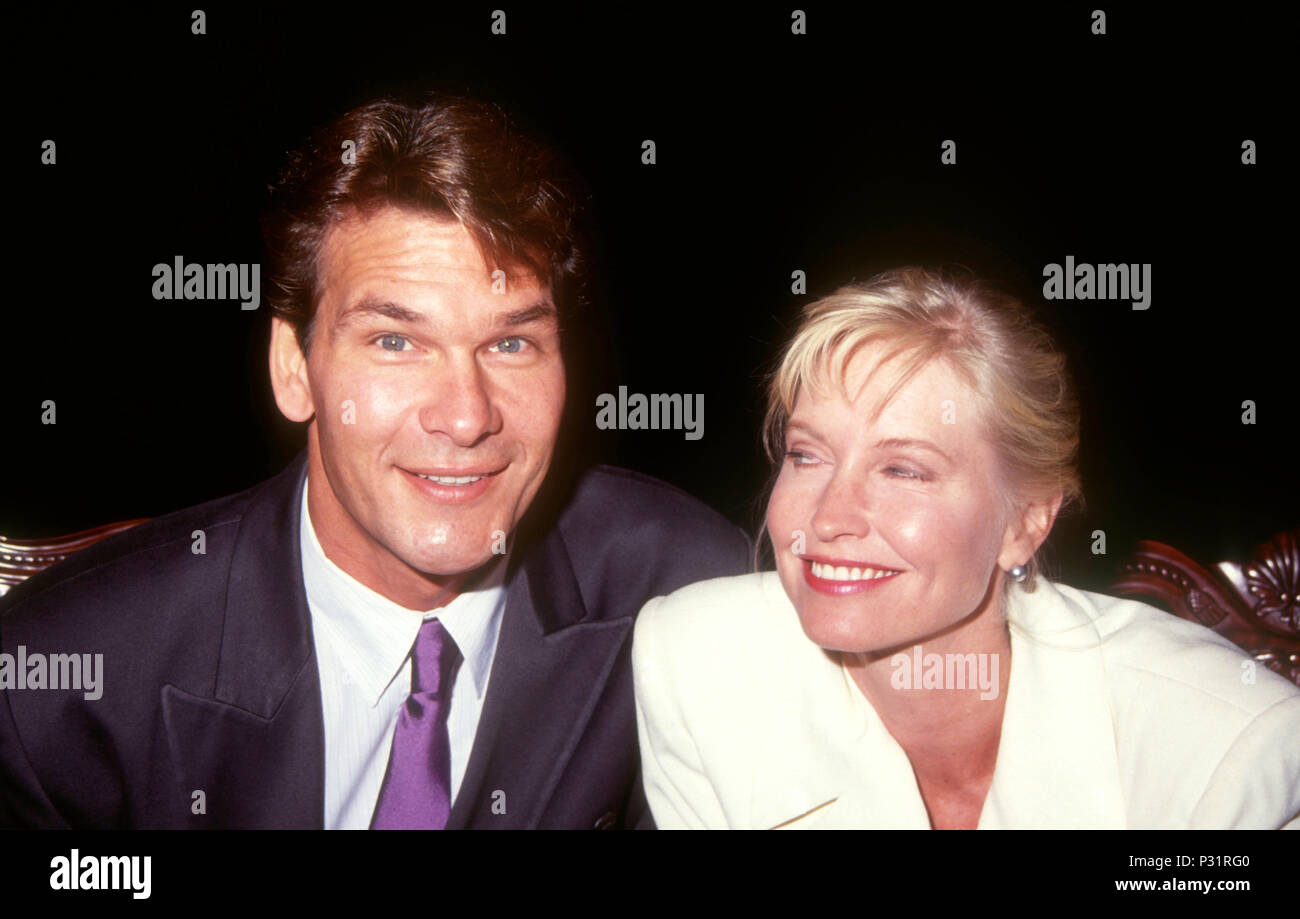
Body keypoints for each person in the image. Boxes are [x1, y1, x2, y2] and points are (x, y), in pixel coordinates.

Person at [0, 94, 750, 829]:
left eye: (510, 343)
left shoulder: (687, 589)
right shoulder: (60, 684)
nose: (465, 416)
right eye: (396, 341)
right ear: (294, 367)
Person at [633, 266, 1300, 829]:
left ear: (1026, 522)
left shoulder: (1227, 754)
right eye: (808, 454)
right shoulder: (695, 660)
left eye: (903, 470)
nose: (829, 518)